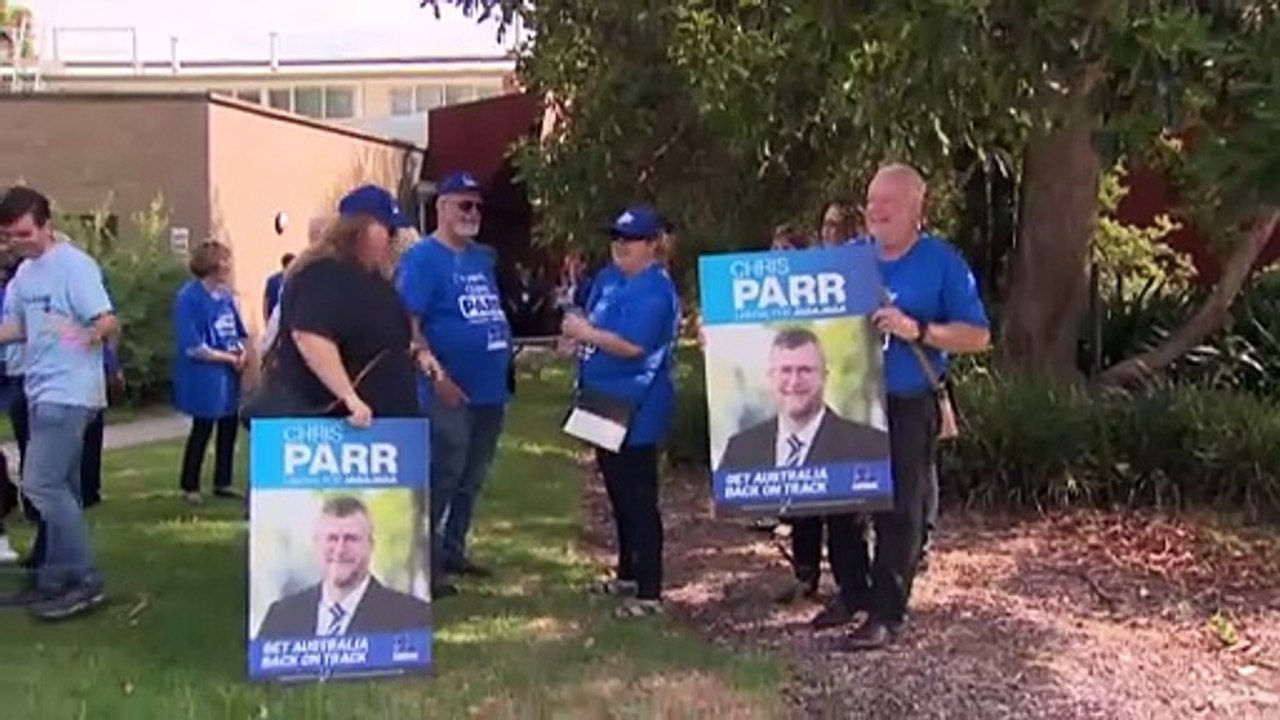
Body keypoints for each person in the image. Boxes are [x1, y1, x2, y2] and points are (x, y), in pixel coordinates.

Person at [842, 162, 989, 650]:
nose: (875, 210)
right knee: (841, 502)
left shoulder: (943, 263)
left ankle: (887, 611)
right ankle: (853, 593)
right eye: (871, 199)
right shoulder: (846, 258)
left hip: (908, 399)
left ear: (915, 209)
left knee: (900, 510)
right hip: (849, 398)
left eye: (887, 201)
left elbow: (978, 335)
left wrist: (919, 331)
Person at [270, 186, 444, 594]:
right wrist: (349, 396)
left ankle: (406, 584)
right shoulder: (323, 275)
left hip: (389, 426)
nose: (394, 239)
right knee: (343, 513)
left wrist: (418, 355)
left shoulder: (372, 280)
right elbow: (310, 335)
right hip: (345, 425)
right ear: (364, 229)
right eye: (388, 230)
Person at [0, 186, 120, 620]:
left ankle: (86, 580)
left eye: (24, 233)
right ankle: (52, 581)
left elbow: (107, 319)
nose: (17, 242)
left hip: (71, 392)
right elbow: (17, 327)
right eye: (9, 236)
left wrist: (88, 335)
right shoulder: (24, 276)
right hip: (37, 388)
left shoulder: (74, 267)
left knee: (41, 484)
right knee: (60, 488)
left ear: (47, 226)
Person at [562, 205, 680, 618]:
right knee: (616, 492)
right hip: (601, 399)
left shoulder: (657, 290)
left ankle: (650, 592)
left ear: (652, 245)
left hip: (638, 404)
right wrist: (576, 338)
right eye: (616, 238)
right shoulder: (609, 280)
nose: (619, 247)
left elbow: (633, 347)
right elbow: (588, 318)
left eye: (629, 240)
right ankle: (628, 572)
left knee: (639, 496)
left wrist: (586, 333)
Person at [395, 171, 511, 588]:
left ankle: (453, 549)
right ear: (441, 207)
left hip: (490, 390)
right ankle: (424, 560)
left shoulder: (482, 258)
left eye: (478, 206)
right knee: (444, 472)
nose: (473, 213)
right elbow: (408, 325)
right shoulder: (423, 259)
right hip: (446, 390)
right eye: (464, 204)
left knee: (472, 475)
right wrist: (435, 373)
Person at [255, 495, 430, 639]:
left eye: (351, 539)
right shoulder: (280, 616)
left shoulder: (411, 617)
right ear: (316, 545)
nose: (339, 550)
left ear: (371, 546)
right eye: (332, 538)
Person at [716, 328, 887, 472]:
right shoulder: (739, 450)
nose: (794, 381)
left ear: (824, 377)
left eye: (805, 370)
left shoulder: (871, 447)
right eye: (785, 370)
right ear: (770, 377)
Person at [172, 240, 248, 505]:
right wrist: (227, 357)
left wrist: (241, 352)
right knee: (202, 428)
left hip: (228, 375)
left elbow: (238, 332)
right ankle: (189, 484)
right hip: (204, 375)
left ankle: (223, 481)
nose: (227, 267)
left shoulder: (226, 296)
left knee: (229, 426)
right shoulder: (188, 298)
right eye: (223, 262)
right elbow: (193, 347)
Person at [262, 253, 295, 323]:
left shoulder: (272, 280)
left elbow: (266, 301)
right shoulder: (295, 280)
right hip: (281, 317)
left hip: (276, 318)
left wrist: (266, 319)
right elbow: (266, 300)